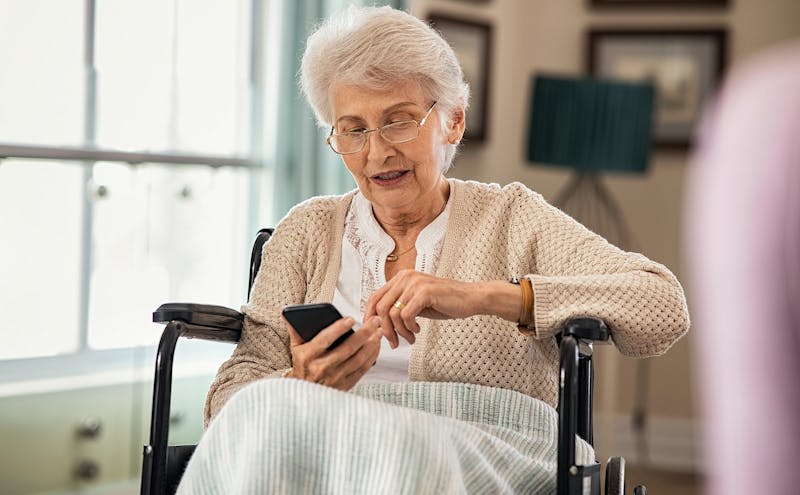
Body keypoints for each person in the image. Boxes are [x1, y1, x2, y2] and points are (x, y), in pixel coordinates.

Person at [180, 6, 689, 493]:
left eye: (399, 120)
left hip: (492, 443)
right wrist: (298, 381)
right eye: (353, 130)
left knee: (399, 447)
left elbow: (662, 304)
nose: (377, 152)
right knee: (262, 414)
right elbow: (230, 403)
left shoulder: (512, 217)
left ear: (452, 122)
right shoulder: (307, 231)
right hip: (331, 442)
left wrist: (486, 296)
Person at [686, 42, 800, 495]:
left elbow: (656, 303)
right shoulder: (771, 118)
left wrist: (499, 297)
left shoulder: (769, 117)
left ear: (455, 124)